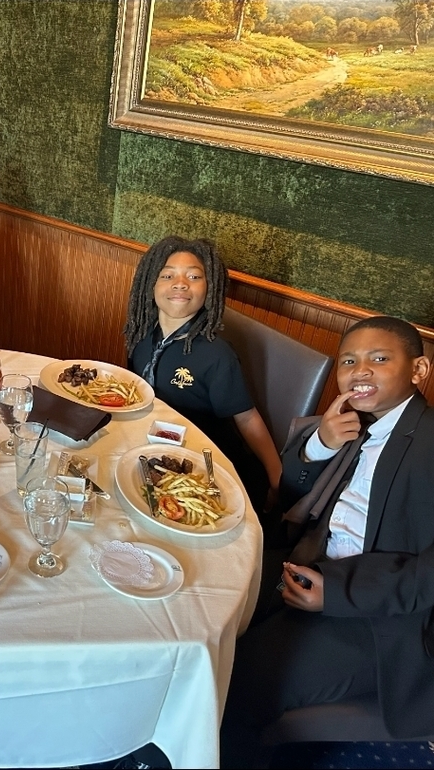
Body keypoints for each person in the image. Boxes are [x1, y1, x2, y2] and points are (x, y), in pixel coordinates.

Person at [219, 316, 434, 768]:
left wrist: (337, 592)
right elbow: (292, 499)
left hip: (374, 616)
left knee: (235, 684)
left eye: (379, 359)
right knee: (204, 605)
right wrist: (320, 444)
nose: (361, 371)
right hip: (308, 565)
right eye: (349, 361)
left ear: (419, 371)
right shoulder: (353, 424)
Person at [123, 235, 281, 515]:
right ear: (150, 284)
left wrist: (277, 478)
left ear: (210, 289)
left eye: (194, 276)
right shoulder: (141, 334)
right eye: (167, 275)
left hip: (207, 466)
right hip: (155, 451)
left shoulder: (217, 355)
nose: (180, 283)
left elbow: (246, 417)